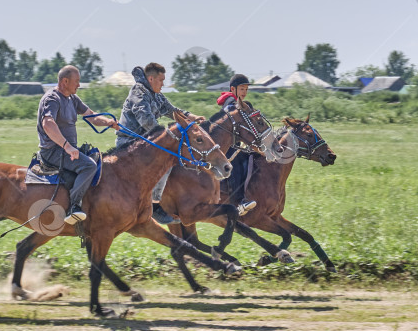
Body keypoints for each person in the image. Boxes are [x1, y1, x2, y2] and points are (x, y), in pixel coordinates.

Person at [116, 63, 206, 225]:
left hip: (145, 142)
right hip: (128, 142)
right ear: (151, 79)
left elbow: (173, 111)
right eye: (161, 80)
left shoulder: (156, 94)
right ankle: (155, 206)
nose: (163, 84)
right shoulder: (139, 92)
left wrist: (192, 117)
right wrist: (165, 135)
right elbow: (146, 120)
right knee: (165, 160)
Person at [37, 65, 119, 224]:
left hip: (66, 150)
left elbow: (91, 116)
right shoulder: (52, 99)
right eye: (77, 81)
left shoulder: (72, 98)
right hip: (53, 151)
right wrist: (67, 146)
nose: (79, 85)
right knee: (89, 166)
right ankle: (73, 207)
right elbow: (48, 124)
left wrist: (108, 122)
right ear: (65, 81)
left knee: (98, 159)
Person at [215, 74, 257, 215]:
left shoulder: (235, 102)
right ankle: (239, 201)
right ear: (233, 89)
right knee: (238, 164)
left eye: (246, 89)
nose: (244, 92)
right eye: (242, 89)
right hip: (226, 146)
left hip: (232, 143)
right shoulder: (231, 101)